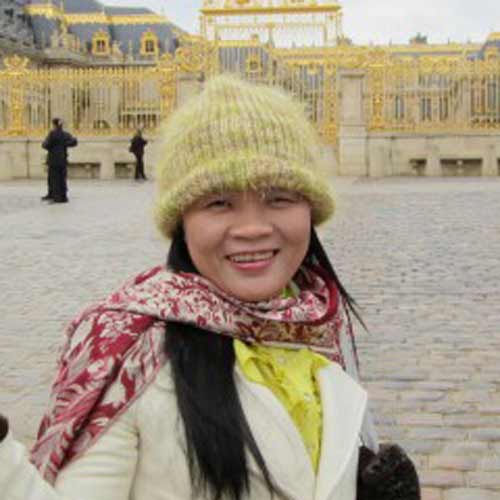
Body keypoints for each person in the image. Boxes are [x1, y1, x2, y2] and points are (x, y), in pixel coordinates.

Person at [0, 76, 419, 500]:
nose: (252, 228)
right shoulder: (131, 355)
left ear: (311, 209)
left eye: (279, 197)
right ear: (181, 221)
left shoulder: (317, 322)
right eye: (219, 202)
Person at [41, 118, 78, 203]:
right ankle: (63, 196)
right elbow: (74, 142)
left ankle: (56, 197)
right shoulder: (65, 134)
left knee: (54, 179)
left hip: (53, 160)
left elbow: (46, 145)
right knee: (62, 178)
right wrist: (65, 144)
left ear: (54, 125)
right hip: (63, 159)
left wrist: (45, 144)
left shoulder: (52, 134)